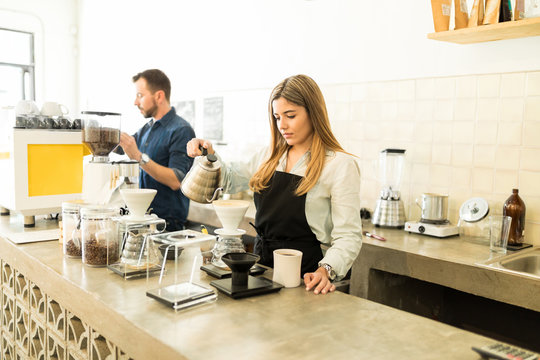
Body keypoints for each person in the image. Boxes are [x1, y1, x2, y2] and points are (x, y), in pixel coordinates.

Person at [187, 74, 362, 295]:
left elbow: (349, 236)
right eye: (277, 117)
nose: (282, 125)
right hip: (262, 269)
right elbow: (229, 180)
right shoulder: (269, 156)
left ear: (313, 113)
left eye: (290, 115)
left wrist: (325, 270)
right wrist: (209, 154)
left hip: (307, 277)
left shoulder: (339, 165)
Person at [118, 69, 195, 231]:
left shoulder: (181, 130)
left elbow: (176, 180)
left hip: (167, 226)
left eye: (140, 95)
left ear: (159, 96)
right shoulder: (147, 129)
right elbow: (120, 147)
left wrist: (139, 158)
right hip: (145, 219)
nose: (135, 102)